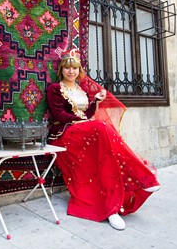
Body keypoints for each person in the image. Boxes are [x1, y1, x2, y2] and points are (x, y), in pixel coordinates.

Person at [47, 49, 161, 230]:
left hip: (81, 129)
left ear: (79, 70)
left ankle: (114, 206)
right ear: (61, 70)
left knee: (106, 152)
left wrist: (95, 102)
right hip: (63, 133)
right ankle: (142, 176)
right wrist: (83, 120)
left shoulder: (81, 89)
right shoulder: (55, 88)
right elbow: (59, 115)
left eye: (74, 68)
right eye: (67, 68)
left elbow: (87, 114)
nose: (71, 71)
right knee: (101, 127)